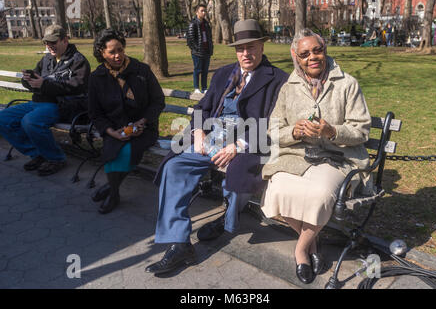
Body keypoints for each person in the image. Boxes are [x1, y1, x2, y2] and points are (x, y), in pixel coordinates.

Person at [145, 19, 289, 275]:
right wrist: (198, 133)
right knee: (174, 166)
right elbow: (202, 108)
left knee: (240, 170)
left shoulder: (278, 79)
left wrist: (237, 146)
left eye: (252, 47)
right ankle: (179, 244)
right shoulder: (224, 73)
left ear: (262, 47)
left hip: (249, 140)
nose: (246, 53)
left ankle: (226, 220)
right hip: (211, 136)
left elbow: (273, 123)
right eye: (240, 48)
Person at [260, 28, 372, 284]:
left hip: (338, 158)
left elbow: (362, 129)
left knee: (321, 195)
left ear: (325, 51)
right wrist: (295, 131)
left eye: (317, 50)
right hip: (297, 155)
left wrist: (333, 131)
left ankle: (301, 249)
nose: (312, 57)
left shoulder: (347, 84)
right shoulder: (289, 87)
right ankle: (312, 242)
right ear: (296, 57)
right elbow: (273, 130)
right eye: (305, 53)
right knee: (275, 189)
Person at [88, 29, 165, 214]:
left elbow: (158, 101)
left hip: (144, 128)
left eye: (120, 50)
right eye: (112, 52)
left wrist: (143, 121)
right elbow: (95, 113)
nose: (118, 56)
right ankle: (113, 191)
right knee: (112, 150)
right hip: (114, 129)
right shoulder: (96, 78)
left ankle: (112, 191)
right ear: (102, 53)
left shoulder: (141, 70)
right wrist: (110, 131)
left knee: (127, 150)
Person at [0, 24, 90, 176]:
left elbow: (78, 86)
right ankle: (38, 153)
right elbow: (36, 80)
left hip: (60, 105)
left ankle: (56, 158)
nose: (49, 46)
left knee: (30, 121)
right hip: (37, 103)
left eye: (53, 42)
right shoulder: (46, 59)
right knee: (3, 118)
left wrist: (45, 84)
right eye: (47, 43)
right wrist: (28, 79)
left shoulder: (78, 61)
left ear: (65, 40)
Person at [187, 4, 213, 94]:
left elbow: (209, 37)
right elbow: (190, 39)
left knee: (205, 71)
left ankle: (204, 88)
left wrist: (210, 49)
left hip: (206, 51)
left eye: (205, 11)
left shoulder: (206, 24)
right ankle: (196, 88)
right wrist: (196, 49)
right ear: (196, 12)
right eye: (202, 11)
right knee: (197, 70)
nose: (204, 12)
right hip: (197, 52)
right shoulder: (193, 24)